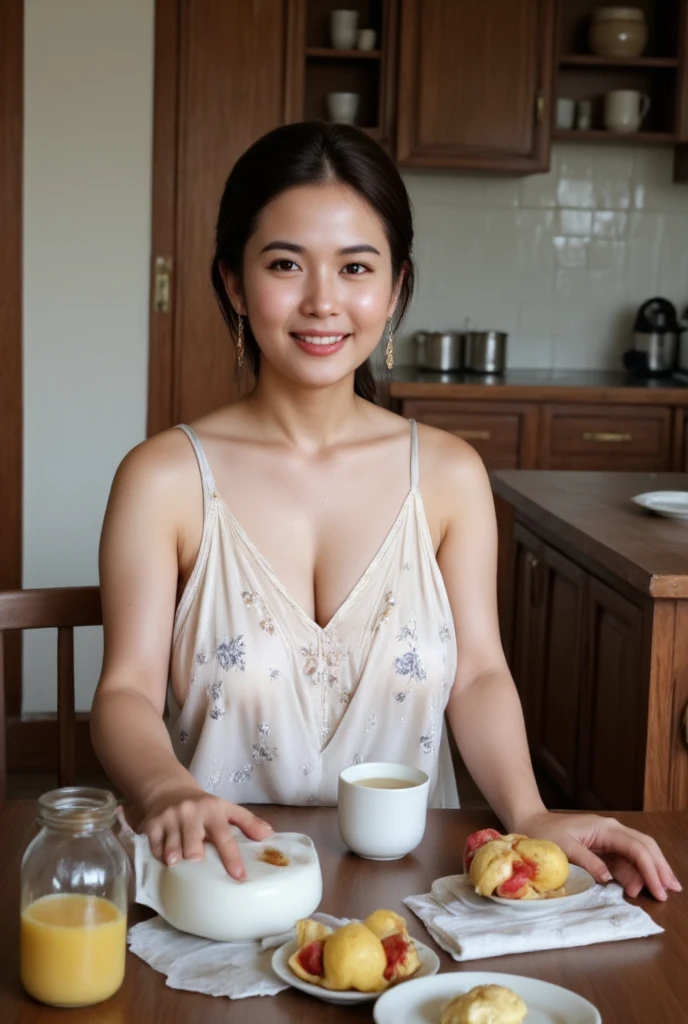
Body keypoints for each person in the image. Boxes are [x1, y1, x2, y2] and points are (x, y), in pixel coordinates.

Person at [91, 122, 680, 901]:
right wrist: (167, 788)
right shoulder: (162, 479)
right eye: (285, 264)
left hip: (412, 898)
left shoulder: (447, 475)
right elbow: (125, 690)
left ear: (396, 287)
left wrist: (530, 810)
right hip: (217, 884)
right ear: (234, 283)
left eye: (355, 266)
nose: (322, 301)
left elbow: (478, 674)